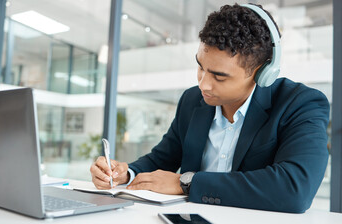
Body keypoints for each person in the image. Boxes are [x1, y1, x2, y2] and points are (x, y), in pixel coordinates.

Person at [90, 3, 329, 213]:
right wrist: (125, 173)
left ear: (262, 73)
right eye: (200, 67)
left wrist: (186, 183)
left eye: (219, 76)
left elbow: (295, 189)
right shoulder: (192, 100)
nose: (203, 83)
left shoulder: (300, 104)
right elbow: (162, 159)